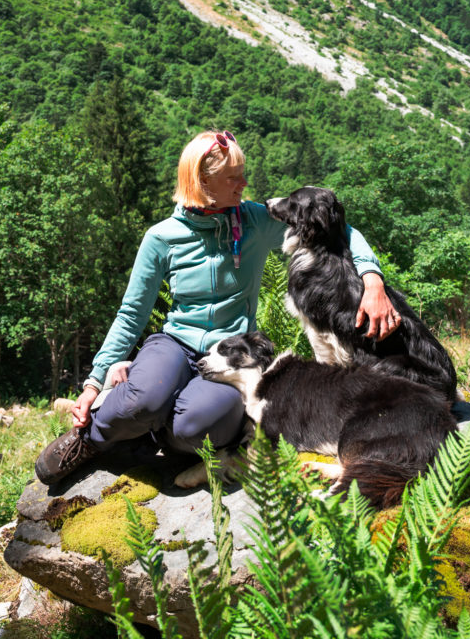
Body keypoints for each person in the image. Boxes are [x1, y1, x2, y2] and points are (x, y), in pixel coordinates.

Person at [35, 130, 400, 486]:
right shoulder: (162, 237)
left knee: (201, 423)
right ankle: (93, 439)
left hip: (232, 352)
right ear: (202, 183)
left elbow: (340, 230)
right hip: (175, 344)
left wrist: (372, 280)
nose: (244, 185)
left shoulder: (255, 221)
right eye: (233, 178)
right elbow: (131, 314)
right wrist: (92, 383)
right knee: (145, 396)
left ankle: (149, 428)